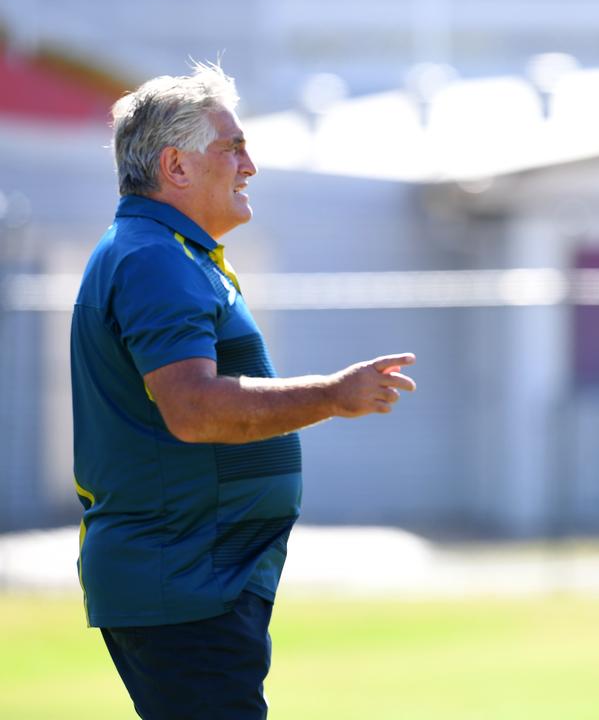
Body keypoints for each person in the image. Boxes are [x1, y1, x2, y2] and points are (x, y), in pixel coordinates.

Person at [70, 61, 417, 719]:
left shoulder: (170, 252)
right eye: (233, 148)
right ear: (176, 167)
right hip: (183, 578)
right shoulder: (154, 258)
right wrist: (333, 394)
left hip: (196, 577)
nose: (250, 166)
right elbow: (195, 410)